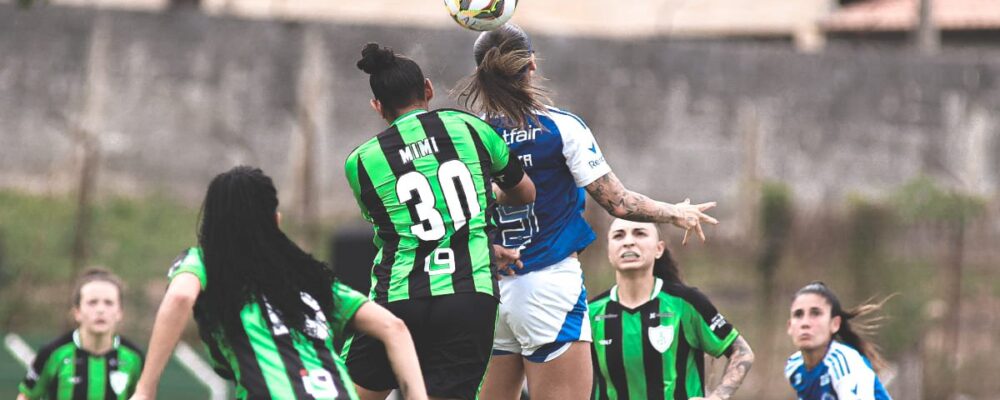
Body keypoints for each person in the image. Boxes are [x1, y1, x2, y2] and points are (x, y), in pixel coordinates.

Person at [453, 24, 718, 399]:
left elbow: (457, 212)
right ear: (531, 65)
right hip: (547, 285)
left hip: (487, 286)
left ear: (481, 73)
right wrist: (673, 212)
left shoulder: (468, 136)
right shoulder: (560, 127)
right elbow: (617, 202)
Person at [129, 166, 426, 400]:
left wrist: (145, 388)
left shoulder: (206, 262)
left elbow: (180, 296)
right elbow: (394, 328)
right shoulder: (309, 277)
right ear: (277, 220)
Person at [343, 43, 535, 400]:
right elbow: (525, 192)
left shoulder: (361, 161)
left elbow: (397, 228)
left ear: (378, 107)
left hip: (398, 297)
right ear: (428, 89)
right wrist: (480, 216)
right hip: (468, 295)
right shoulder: (469, 127)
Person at [589, 219, 753, 399]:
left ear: (659, 249)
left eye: (639, 233)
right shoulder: (591, 313)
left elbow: (742, 352)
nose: (628, 241)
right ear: (609, 252)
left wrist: (718, 397)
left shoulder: (686, 303)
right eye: (619, 235)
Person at [18, 268, 144, 400]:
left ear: (120, 313)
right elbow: (26, 397)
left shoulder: (134, 357)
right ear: (77, 312)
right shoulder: (53, 354)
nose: (100, 310)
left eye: (109, 303)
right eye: (92, 303)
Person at [785, 282, 893, 400]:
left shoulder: (845, 363)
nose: (805, 323)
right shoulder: (794, 367)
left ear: (835, 324)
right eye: (798, 314)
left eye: (815, 313)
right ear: (790, 326)